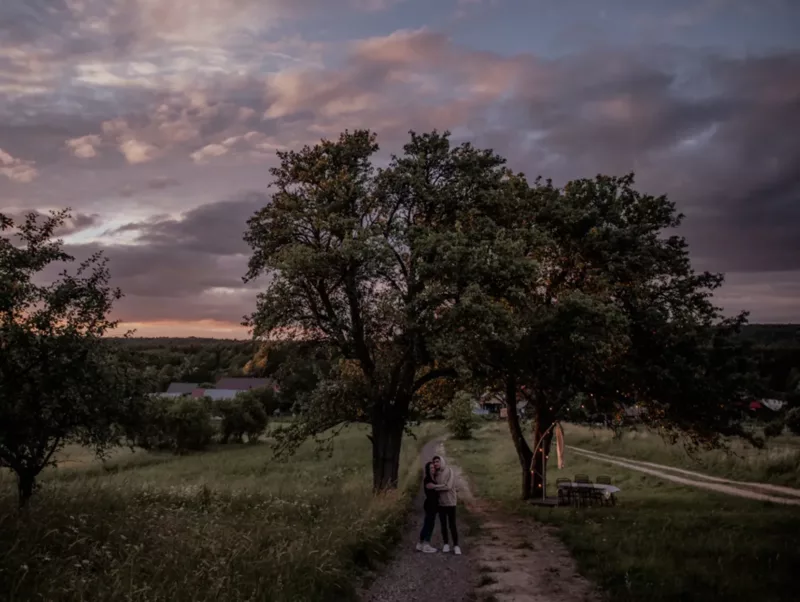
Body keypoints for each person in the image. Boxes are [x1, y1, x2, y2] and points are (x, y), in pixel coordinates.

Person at [431, 455, 461, 555]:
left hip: (451, 502)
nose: (436, 463)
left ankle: (456, 545)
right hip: (440, 503)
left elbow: (448, 486)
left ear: (441, 461)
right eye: (434, 462)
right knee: (443, 525)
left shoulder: (449, 471)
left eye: (437, 461)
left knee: (452, 525)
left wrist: (435, 487)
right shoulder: (435, 474)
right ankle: (446, 544)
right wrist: (439, 486)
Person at [416, 462, 438, 553]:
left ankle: (420, 544)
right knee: (429, 524)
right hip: (430, 504)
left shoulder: (434, 478)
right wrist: (445, 485)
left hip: (434, 504)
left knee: (428, 523)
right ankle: (426, 544)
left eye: (433, 467)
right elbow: (433, 487)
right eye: (431, 468)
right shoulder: (427, 479)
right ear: (428, 470)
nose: (433, 469)